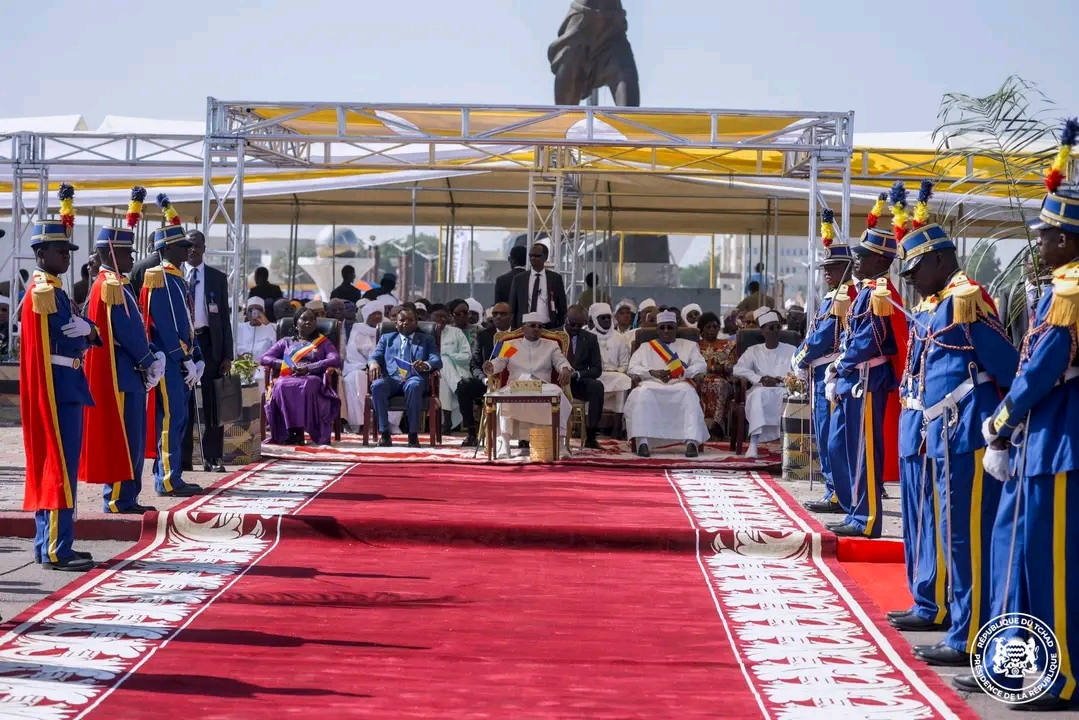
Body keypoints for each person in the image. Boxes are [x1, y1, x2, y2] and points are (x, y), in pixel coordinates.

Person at [971, 131, 1079, 709]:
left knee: (1052, 564)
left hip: (1063, 440)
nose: (1036, 245)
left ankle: (1059, 677)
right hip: (1040, 441)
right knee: (1019, 554)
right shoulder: (1057, 287)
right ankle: (1011, 667)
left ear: (1065, 237)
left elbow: (1041, 372)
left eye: (1042, 236)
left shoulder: (1071, 290)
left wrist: (1000, 420)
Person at [891, 207, 1017, 670]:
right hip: (941, 437)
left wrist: (1003, 430)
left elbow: (1007, 369)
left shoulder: (965, 300)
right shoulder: (935, 304)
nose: (910, 280)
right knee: (949, 538)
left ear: (941, 261)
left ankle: (971, 639)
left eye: (916, 269)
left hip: (969, 436)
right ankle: (957, 626)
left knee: (968, 541)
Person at [21, 192, 100, 572]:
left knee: (62, 466)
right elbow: (69, 335)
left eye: (67, 251)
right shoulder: (43, 291)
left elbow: (82, 330)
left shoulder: (53, 288)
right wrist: (88, 333)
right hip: (59, 387)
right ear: (41, 253)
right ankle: (55, 546)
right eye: (59, 250)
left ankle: (51, 542)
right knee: (59, 467)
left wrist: (89, 330)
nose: (66, 256)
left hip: (68, 384)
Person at [824, 185, 908, 538]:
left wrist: (839, 362)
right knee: (844, 448)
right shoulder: (866, 293)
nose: (856, 260)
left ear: (882, 261)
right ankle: (855, 511)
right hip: (853, 379)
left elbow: (870, 340)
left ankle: (867, 519)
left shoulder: (879, 294)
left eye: (864, 256)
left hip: (867, 380)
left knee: (865, 455)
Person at [80, 200, 164, 516]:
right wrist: (148, 358)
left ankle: (126, 495)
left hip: (127, 372)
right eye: (127, 253)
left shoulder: (118, 283)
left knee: (132, 438)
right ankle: (118, 497)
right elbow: (126, 330)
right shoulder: (112, 285)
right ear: (112, 254)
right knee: (124, 438)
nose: (132, 258)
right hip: (121, 373)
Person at [139, 194, 205, 498]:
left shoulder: (177, 279)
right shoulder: (159, 277)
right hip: (172, 362)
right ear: (165, 249)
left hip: (184, 362)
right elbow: (164, 326)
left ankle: (172, 473)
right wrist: (182, 358)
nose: (187, 251)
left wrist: (198, 356)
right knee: (171, 418)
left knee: (179, 419)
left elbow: (187, 324)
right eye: (181, 247)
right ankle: (167, 478)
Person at [795, 210, 858, 514]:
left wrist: (801, 356)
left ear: (847, 267)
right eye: (825, 267)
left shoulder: (843, 297)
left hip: (830, 371)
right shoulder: (832, 296)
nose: (826, 272)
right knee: (824, 434)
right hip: (821, 371)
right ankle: (833, 490)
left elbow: (824, 336)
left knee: (831, 436)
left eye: (832, 267)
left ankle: (837, 493)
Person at [483, 312, 572, 454]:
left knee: (559, 395)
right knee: (502, 398)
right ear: (524, 328)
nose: (536, 329)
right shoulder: (511, 345)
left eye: (539, 326)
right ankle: (504, 444)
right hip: (516, 386)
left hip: (542, 386)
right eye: (532, 326)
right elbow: (500, 362)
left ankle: (560, 444)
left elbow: (560, 361)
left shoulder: (551, 345)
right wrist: (491, 367)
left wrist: (566, 369)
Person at [182, 230, 233, 474]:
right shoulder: (175, 275)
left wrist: (227, 355)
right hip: (184, 346)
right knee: (185, 404)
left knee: (214, 406)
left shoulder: (217, 278)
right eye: (188, 245)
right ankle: (183, 460)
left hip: (210, 344)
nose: (192, 249)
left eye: (196, 245)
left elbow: (224, 318)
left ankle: (212, 458)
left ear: (204, 247)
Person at [624, 310, 708, 458]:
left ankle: (691, 442)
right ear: (657, 330)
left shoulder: (689, 345)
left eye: (670, 327)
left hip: (679, 383)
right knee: (641, 393)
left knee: (689, 393)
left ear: (676, 328)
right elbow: (632, 368)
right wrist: (651, 372)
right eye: (662, 327)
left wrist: (682, 372)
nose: (666, 331)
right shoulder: (646, 347)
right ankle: (642, 442)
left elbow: (701, 366)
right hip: (651, 384)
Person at [261, 307, 342, 446]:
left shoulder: (323, 342)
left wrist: (310, 367)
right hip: (289, 375)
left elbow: (335, 359)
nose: (308, 322)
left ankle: (302, 430)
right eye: (304, 319)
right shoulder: (286, 342)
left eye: (312, 319)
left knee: (306, 385)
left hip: (312, 377)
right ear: (296, 323)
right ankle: (291, 432)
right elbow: (265, 358)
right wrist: (286, 364)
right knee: (280, 385)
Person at [368, 308, 442, 447]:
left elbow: (437, 360)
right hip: (392, 379)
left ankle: (413, 435)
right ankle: (384, 434)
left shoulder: (427, 339)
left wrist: (425, 365)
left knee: (414, 386)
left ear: (416, 322)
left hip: (414, 378)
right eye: (402, 320)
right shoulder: (387, 338)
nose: (405, 323)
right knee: (377, 385)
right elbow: (375, 356)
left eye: (410, 320)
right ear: (396, 324)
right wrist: (373, 363)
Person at [732, 307, 797, 458]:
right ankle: (754, 444)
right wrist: (760, 379)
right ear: (762, 331)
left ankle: (786, 444)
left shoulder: (791, 349)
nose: (775, 331)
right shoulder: (753, 350)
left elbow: (800, 370)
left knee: (788, 397)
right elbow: (738, 369)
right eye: (771, 328)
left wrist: (783, 379)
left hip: (784, 388)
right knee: (759, 395)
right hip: (759, 389)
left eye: (777, 327)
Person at [456, 302, 513, 447]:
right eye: (495, 314)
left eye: (502, 314)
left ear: (511, 316)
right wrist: (484, 379)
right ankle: (471, 433)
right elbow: (474, 364)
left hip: (513, 382)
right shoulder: (483, 335)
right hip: (488, 382)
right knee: (463, 386)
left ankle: (525, 438)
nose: (498, 317)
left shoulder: (518, 335)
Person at [563, 305, 605, 449]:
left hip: (577, 382)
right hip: (555, 381)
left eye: (579, 325)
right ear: (566, 319)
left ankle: (591, 436)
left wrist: (578, 374)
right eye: (572, 324)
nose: (575, 328)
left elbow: (596, 369)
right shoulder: (553, 335)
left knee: (597, 386)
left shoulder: (590, 339)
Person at [341, 302, 383, 431]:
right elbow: (352, 355)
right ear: (366, 316)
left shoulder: (386, 329)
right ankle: (359, 424)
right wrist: (365, 366)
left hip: (382, 369)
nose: (377, 317)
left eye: (379, 313)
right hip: (358, 367)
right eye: (373, 314)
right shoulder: (358, 329)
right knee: (354, 379)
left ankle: (386, 424)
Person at [587, 302, 632, 416]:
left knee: (623, 380)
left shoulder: (620, 338)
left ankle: (617, 422)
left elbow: (624, 364)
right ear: (595, 320)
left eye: (608, 317)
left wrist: (617, 372)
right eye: (603, 318)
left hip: (615, 376)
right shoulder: (587, 337)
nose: (607, 320)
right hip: (595, 376)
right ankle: (590, 424)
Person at [510, 242, 568, 329]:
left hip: (548, 327)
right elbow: (513, 306)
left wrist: (559, 328)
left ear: (545, 257)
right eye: (531, 255)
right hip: (524, 328)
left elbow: (562, 307)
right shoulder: (519, 279)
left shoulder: (555, 278)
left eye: (537, 256)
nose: (533, 258)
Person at [696, 311, 737, 434]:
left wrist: (720, 368)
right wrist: (716, 367)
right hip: (698, 379)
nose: (712, 330)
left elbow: (732, 365)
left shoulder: (728, 345)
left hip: (722, 381)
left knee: (718, 385)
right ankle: (698, 425)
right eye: (708, 327)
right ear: (701, 329)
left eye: (715, 327)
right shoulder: (695, 346)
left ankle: (716, 427)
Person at [432, 305, 471, 431]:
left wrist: (449, 356)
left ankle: (446, 419)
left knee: (443, 363)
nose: (441, 319)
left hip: (458, 372)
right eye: (437, 316)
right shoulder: (424, 333)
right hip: (432, 375)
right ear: (429, 317)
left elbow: (467, 356)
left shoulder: (456, 332)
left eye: (444, 316)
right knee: (441, 365)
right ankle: (458, 389)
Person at [235, 297, 278, 390]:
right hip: (242, 372)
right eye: (251, 310)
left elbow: (277, 345)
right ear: (246, 313)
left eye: (259, 310)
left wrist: (266, 322)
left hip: (262, 373)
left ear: (264, 312)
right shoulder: (238, 328)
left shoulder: (271, 328)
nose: (254, 313)